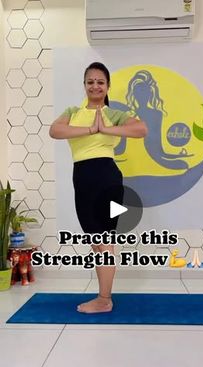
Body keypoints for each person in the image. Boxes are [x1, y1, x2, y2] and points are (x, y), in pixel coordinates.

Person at [49, 62, 148, 314]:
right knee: (96, 241)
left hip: (105, 177)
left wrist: (105, 127)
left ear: (107, 87)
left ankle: (104, 300)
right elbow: (55, 130)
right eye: (90, 81)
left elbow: (141, 129)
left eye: (100, 82)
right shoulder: (73, 111)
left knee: (104, 241)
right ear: (84, 85)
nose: (95, 85)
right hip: (82, 178)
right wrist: (91, 129)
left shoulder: (113, 114)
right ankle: (103, 296)